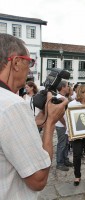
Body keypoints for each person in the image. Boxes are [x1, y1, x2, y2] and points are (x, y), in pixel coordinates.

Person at [0, 33, 67, 199]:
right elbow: (38, 179)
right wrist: (51, 122)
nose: (29, 69)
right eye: (29, 62)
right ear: (15, 62)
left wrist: (39, 121)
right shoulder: (12, 104)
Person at [55, 80, 73, 171]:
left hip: (65, 124)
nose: (68, 87)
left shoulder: (63, 97)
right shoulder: (59, 98)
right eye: (67, 86)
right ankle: (60, 163)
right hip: (61, 125)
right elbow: (58, 114)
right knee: (62, 144)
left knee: (66, 143)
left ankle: (65, 160)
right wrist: (65, 124)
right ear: (62, 87)